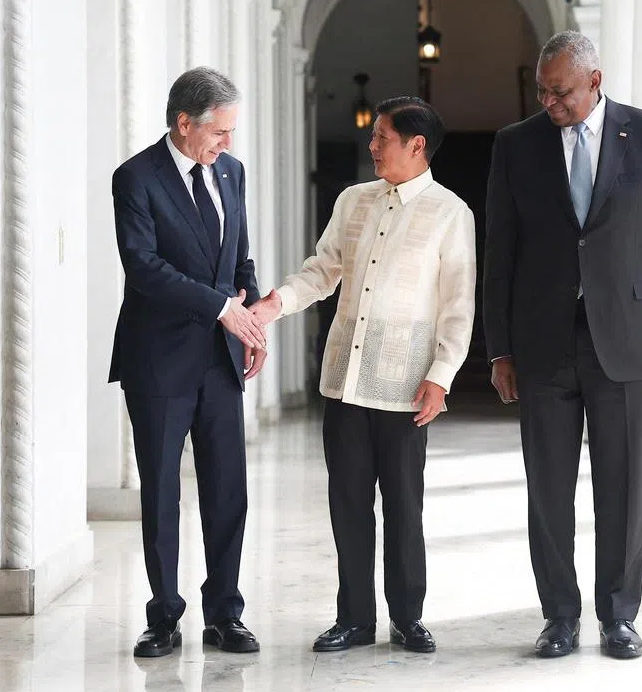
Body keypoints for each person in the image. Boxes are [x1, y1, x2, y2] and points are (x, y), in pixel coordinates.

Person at [483, 32, 642, 660]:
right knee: (547, 489)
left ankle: (619, 617)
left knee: (625, 488)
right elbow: (499, 254)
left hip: (629, 340)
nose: (550, 101)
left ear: (596, 81)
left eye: (563, 91)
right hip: (541, 343)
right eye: (543, 90)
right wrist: (499, 349)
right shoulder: (514, 145)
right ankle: (558, 617)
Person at [252, 97, 476, 655]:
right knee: (347, 502)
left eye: (382, 138)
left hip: (407, 385)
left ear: (416, 145)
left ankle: (408, 617)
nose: (372, 146)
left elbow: (458, 304)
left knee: (404, 503)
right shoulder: (353, 200)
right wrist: (273, 304)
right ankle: (353, 618)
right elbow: (322, 271)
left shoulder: (452, 213)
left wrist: (442, 374)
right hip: (344, 380)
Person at [109, 67, 268, 658]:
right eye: (219, 132)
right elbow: (143, 268)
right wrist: (220, 309)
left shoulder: (231, 172)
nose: (227, 143)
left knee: (228, 489)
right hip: (158, 361)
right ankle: (163, 617)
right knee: (161, 493)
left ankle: (225, 613)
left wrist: (250, 321)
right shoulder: (137, 179)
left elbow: (239, 258)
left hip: (221, 361)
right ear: (183, 123)